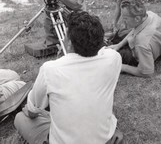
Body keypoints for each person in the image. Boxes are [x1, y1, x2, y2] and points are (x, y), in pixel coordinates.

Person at [14, 11, 123, 144]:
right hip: (105, 139)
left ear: (70, 42)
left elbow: (32, 111)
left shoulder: (50, 70)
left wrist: (32, 110)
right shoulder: (114, 58)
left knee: (20, 118)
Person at [109, 0, 161, 77]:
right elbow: (136, 29)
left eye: (125, 18)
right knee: (121, 33)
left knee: (114, 56)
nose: (123, 21)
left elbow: (147, 72)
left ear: (137, 18)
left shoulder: (141, 43)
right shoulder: (151, 14)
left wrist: (122, 67)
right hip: (157, 43)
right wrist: (118, 45)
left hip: (141, 52)